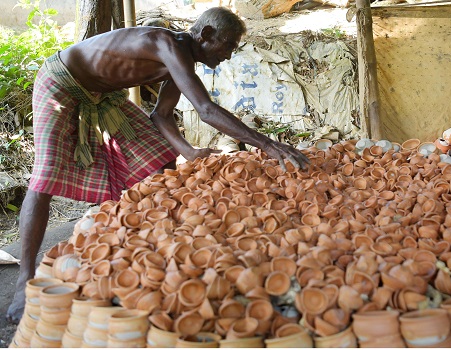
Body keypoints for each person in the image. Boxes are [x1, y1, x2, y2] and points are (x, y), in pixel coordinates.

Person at [6, 7, 309, 323]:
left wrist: (187, 152)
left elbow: (160, 115)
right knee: (45, 176)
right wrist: (268, 144)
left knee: (160, 162)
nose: (228, 57)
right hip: (62, 81)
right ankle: (24, 282)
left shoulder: (183, 61)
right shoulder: (165, 44)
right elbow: (205, 109)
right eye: (227, 47)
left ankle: (149, 249)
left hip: (98, 92)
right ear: (205, 35)